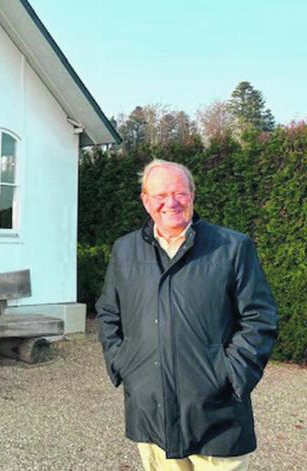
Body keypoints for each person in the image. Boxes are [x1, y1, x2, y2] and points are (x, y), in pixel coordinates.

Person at [96, 159, 278, 471]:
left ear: (192, 195)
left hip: (217, 416)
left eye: (180, 193)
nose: (171, 202)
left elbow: (260, 318)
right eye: (160, 195)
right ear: (145, 200)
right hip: (151, 412)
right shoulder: (124, 250)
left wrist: (231, 375)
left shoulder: (231, 247)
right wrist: (123, 364)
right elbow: (109, 313)